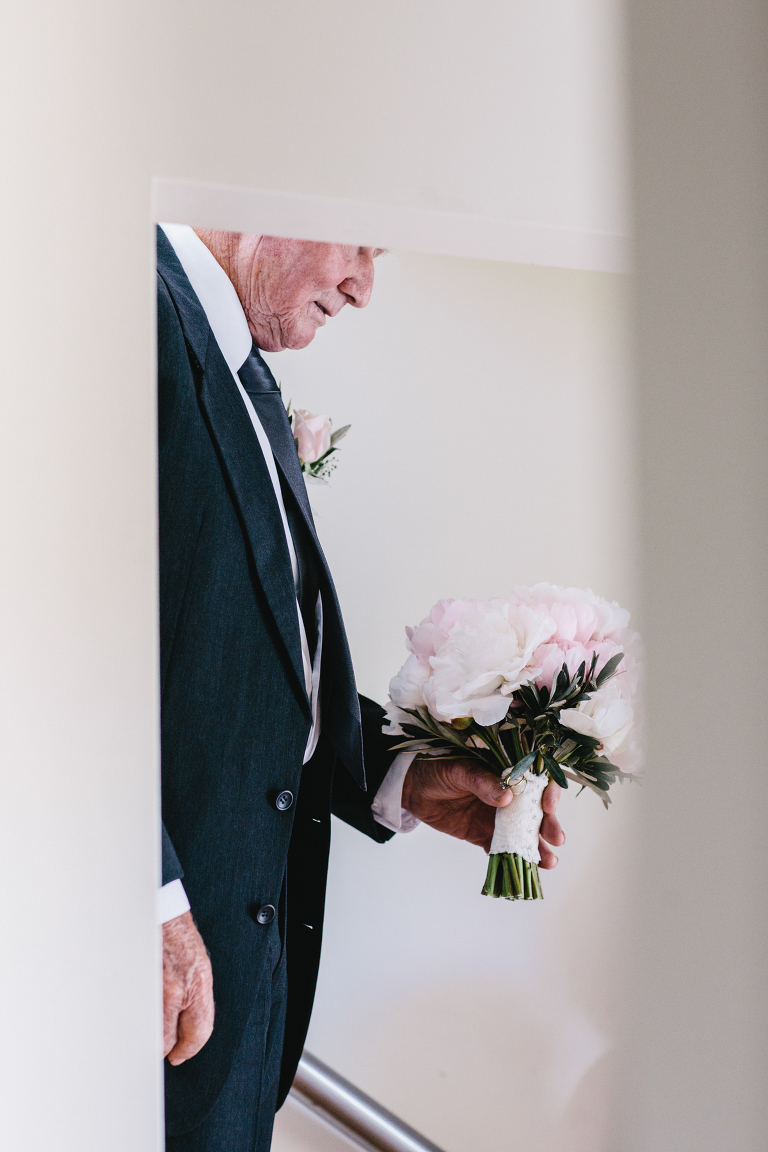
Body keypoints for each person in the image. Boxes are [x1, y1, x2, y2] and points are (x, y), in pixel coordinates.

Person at [157, 224, 565, 1151]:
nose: (363, 287)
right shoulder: (131, 304)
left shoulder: (238, 363)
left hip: (236, 997)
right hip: (149, 973)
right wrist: (142, 897)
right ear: (263, 199)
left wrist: (401, 776)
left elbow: (235, 663)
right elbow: (45, 637)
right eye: (360, 246)